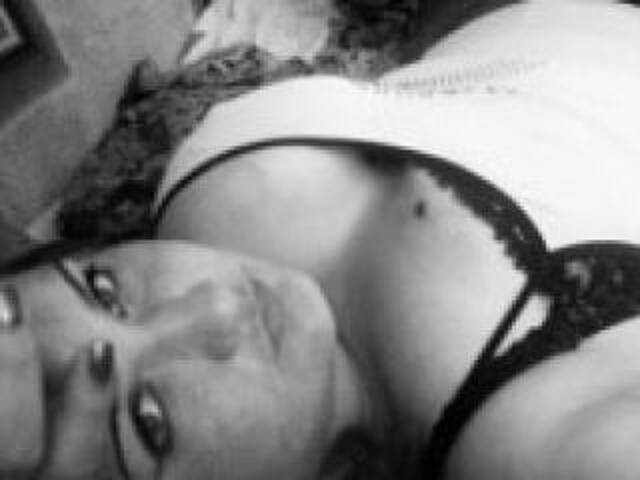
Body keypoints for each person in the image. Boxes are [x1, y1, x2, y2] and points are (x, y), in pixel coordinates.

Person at [3, 0, 640, 478]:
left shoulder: (194, 215)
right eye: (151, 423)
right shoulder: (537, 439)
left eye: (104, 288)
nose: (217, 306)